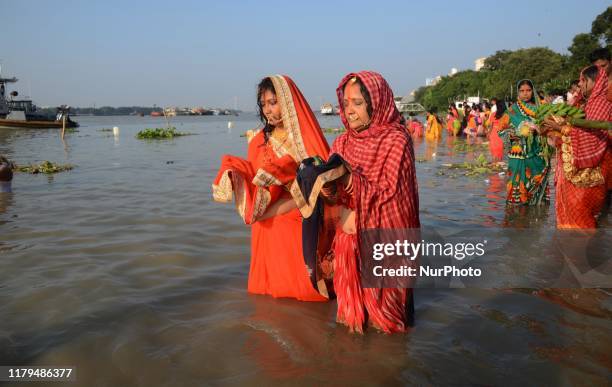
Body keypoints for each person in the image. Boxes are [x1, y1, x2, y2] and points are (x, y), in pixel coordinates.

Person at [212, 75, 331, 301]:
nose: (268, 110)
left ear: (288, 102)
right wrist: (237, 177)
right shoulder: (258, 141)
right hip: (265, 228)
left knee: (305, 293)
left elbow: (322, 189)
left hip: (296, 222)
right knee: (267, 299)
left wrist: (275, 210)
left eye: (273, 102)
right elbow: (257, 184)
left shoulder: (305, 141)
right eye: (264, 104)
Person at [322, 71, 419, 333]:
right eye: (345, 104)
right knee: (348, 323)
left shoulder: (396, 140)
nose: (349, 111)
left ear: (375, 103)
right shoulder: (341, 142)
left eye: (357, 103)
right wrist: (323, 184)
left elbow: (394, 196)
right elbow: (332, 198)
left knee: (384, 326)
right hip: (348, 243)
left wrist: (350, 180)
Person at [543, 65, 611, 228]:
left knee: (581, 217)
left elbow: (591, 139)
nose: (580, 84)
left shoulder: (600, 104)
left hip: (590, 172)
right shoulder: (584, 103)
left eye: (584, 80)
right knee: (574, 215)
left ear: (595, 82)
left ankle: (581, 250)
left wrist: (560, 129)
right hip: (579, 172)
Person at [502, 80, 552, 205]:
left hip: (537, 152)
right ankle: (517, 216)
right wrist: (515, 133)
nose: (525, 94)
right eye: (522, 91)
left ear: (533, 91)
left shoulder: (541, 108)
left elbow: (550, 127)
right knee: (517, 187)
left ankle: (537, 209)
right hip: (518, 153)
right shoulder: (512, 110)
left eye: (528, 90)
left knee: (537, 182)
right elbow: (501, 130)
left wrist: (538, 129)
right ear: (518, 92)